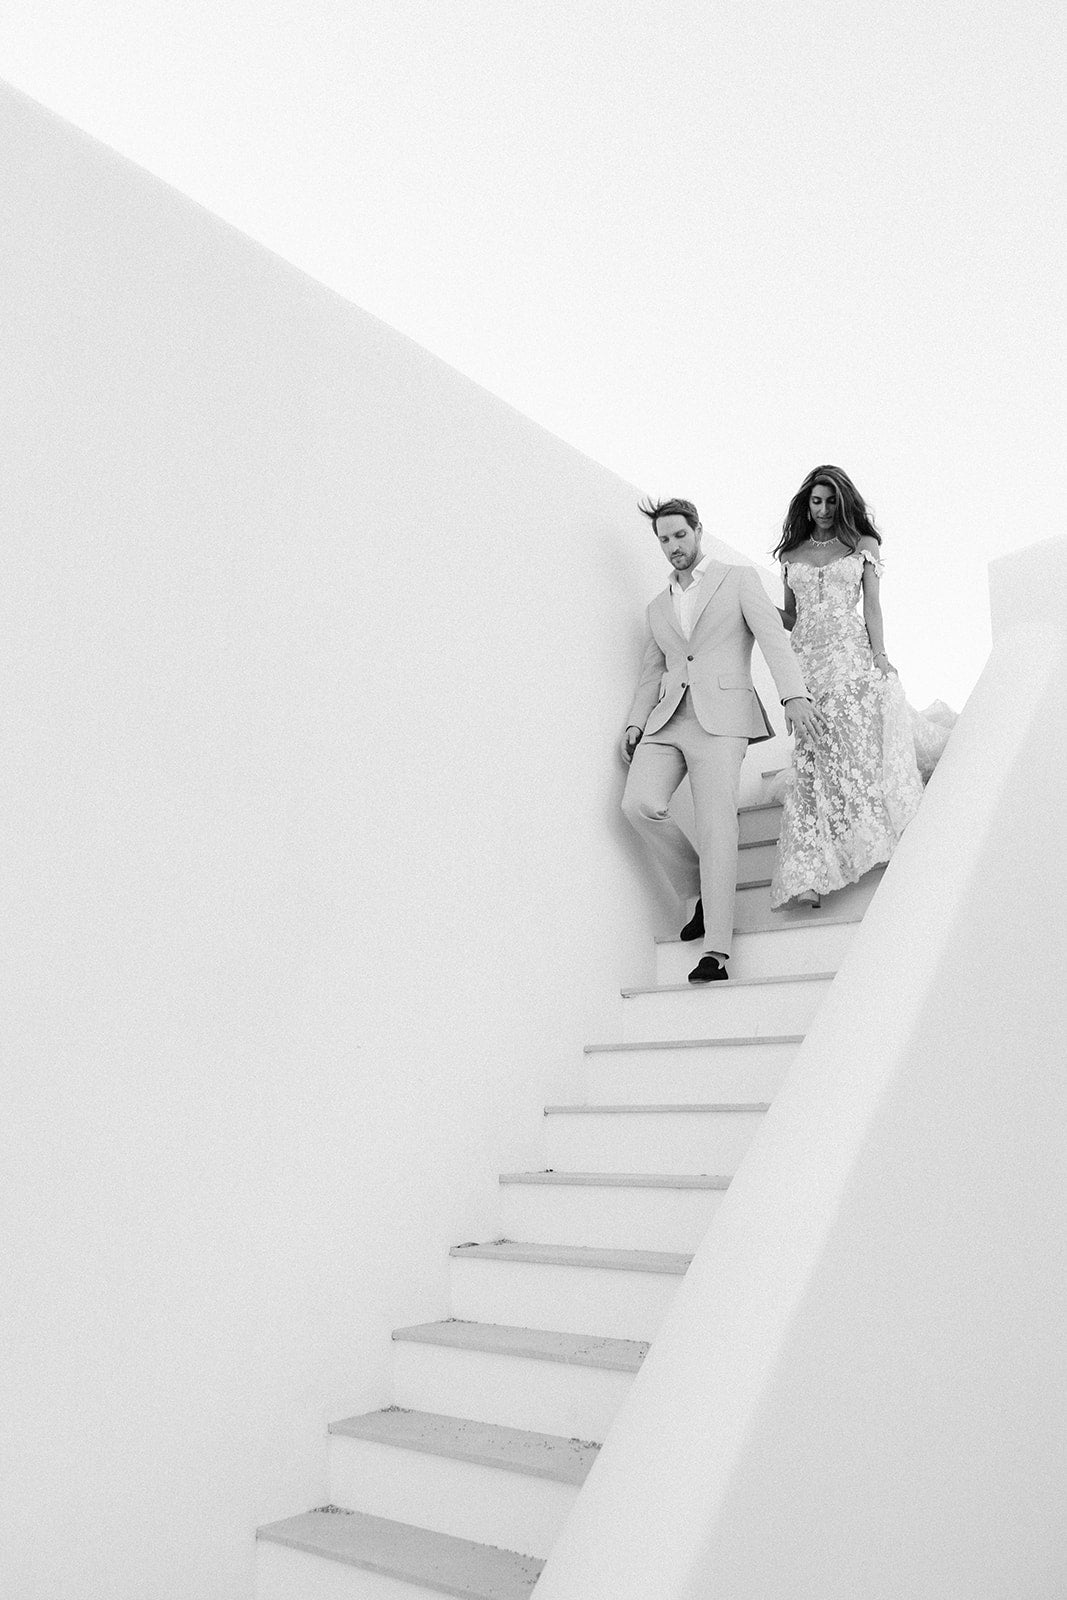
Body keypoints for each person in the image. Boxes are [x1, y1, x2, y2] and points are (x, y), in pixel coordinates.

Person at [621, 497, 823, 982]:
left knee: (717, 825)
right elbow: (653, 673)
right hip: (668, 720)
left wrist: (793, 695)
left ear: (697, 531)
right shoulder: (657, 606)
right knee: (639, 804)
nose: (673, 546)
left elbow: (774, 638)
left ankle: (716, 952)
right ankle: (700, 891)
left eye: (679, 535)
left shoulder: (737, 580)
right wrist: (634, 721)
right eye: (664, 540)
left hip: (724, 718)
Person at [769, 465, 924, 909]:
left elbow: (872, 607)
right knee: (814, 750)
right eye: (815, 501)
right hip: (807, 663)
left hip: (849, 653)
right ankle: (810, 871)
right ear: (805, 504)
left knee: (851, 744)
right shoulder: (790, 556)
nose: (822, 509)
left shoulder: (862, 546)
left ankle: (869, 837)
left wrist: (879, 656)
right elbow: (793, 617)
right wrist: (756, 608)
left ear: (843, 501)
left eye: (830, 500)